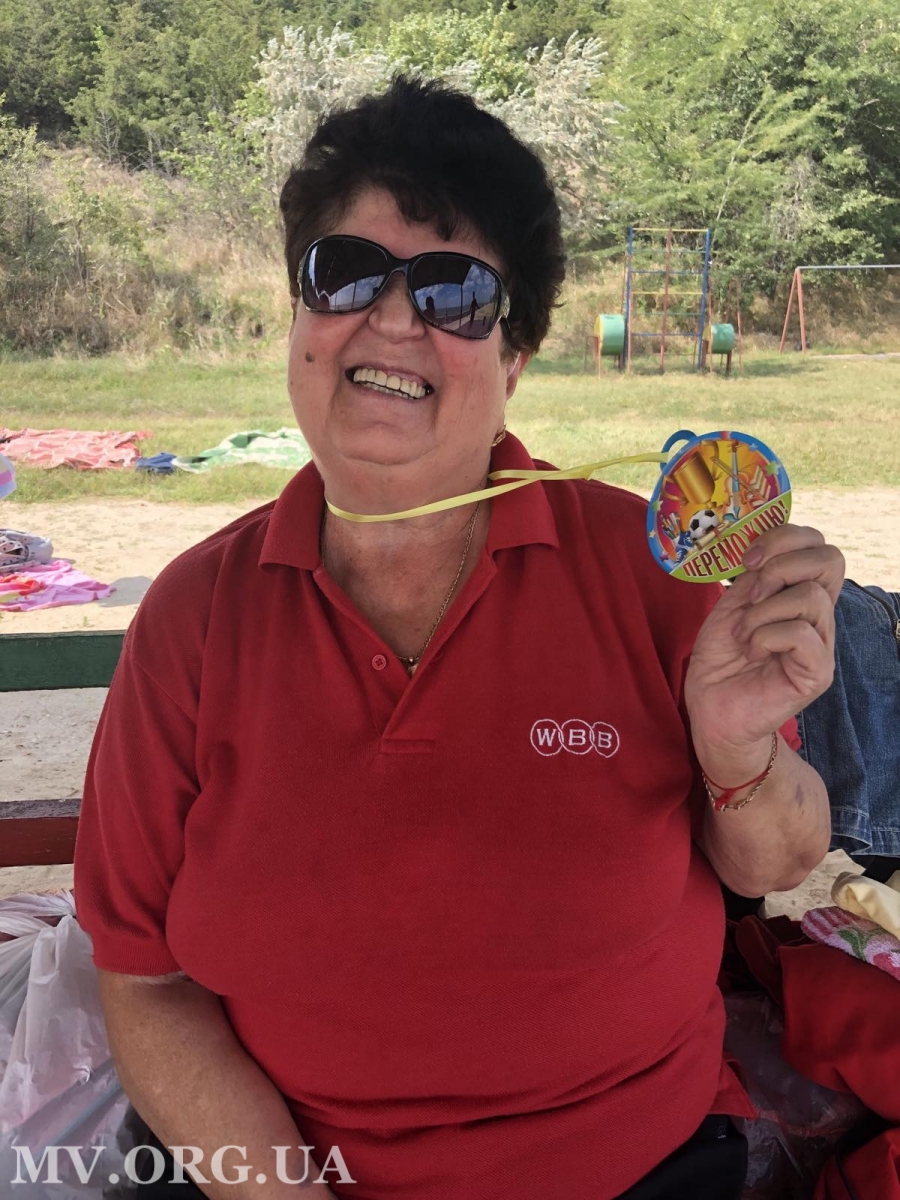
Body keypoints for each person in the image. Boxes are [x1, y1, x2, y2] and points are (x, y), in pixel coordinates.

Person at [73, 76, 844, 1200]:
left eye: (454, 291)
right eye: (345, 273)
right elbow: (144, 981)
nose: (393, 319)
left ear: (515, 360)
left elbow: (775, 863)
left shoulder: (651, 572)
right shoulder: (192, 618)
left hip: (637, 1171)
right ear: (301, 323)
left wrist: (739, 754)